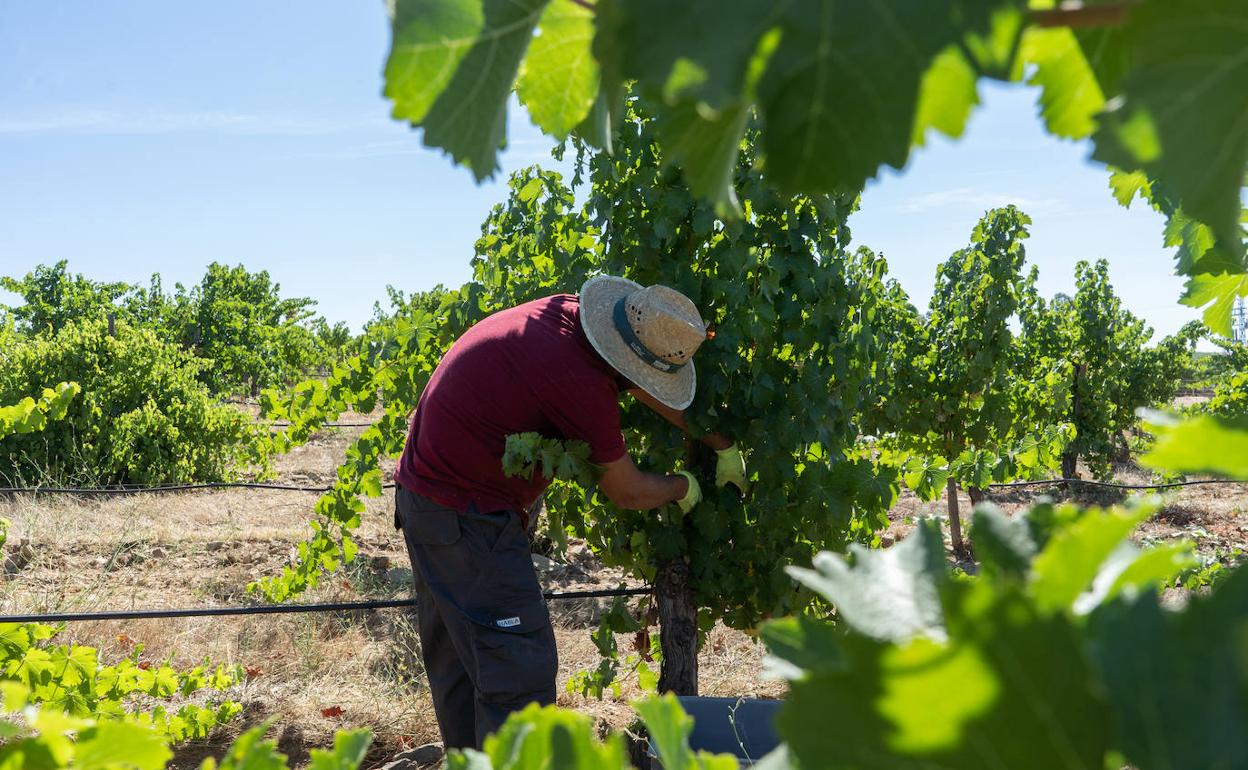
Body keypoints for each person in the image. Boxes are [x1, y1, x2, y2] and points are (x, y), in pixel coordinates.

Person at [392, 275, 747, 749]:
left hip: (427, 502)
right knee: (519, 668)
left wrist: (719, 443)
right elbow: (629, 490)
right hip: (467, 517)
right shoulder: (577, 380)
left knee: (465, 667)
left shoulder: (570, 319)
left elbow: (639, 380)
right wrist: (685, 488)